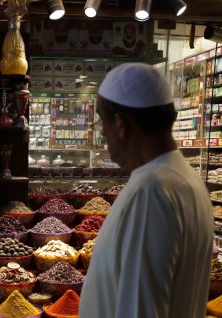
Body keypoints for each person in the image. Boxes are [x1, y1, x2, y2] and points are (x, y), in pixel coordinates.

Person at [79, 63, 213, 318]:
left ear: (121, 125)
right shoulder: (186, 179)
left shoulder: (151, 191)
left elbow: (140, 308)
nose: (102, 133)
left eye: (102, 121)